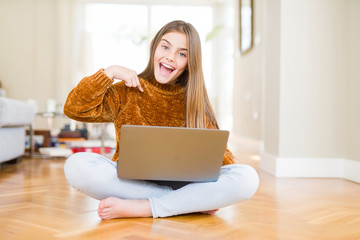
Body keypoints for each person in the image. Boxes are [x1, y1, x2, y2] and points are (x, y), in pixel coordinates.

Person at [63, 20, 259, 219]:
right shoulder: (127, 90)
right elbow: (74, 108)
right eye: (165, 47)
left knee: (248, 178)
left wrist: (213, 168)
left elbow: (221, 158)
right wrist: (109, 72)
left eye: (182, 54)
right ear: (154, 47)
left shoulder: (195, 100)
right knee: (76, 165)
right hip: (133, 183)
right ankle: (185, 203)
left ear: (190, 63)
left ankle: (145, 207)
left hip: (186, 183)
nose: (170, 57)